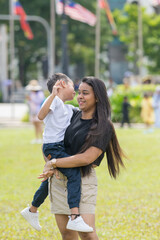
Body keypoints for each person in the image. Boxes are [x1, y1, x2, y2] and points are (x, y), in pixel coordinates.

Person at [39, 76, 125, 240]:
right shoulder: (72, 115)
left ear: (97, 97)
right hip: (59, 181)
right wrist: (49, 163)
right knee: (67, 234)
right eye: (79, 92)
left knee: (87, 234)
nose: (80, 96)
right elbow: (49, 139)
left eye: (85, 93)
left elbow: (87, 158)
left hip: (83, 180)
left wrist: (54, 163)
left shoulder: (103, 126)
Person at [21, 73, 93, 232]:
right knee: (74, 173)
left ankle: (32, 209)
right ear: (61, 85)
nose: (76, 90)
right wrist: (53, 94)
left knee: (51, 179)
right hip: (53, 147)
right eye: (71, 86)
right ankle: (74, 216)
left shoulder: (67, 108)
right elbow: (40, 115)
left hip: (58, 147)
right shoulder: (55, 102)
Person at [25, 80, 45, 144]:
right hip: (32, 111)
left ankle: (42, 138)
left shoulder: (40, 93)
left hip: (38, 111)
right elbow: (29, 103)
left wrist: (31, 99)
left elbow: (39, 101)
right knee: (35, 124)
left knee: (39, 124)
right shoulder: (31, 93)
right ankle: (37, 138)